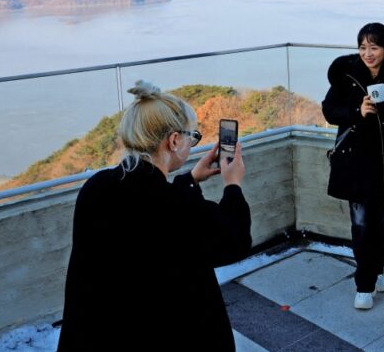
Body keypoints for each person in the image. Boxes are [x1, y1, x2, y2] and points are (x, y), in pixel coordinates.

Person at [58, 81, 251, 351]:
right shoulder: (177, 206)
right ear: (173, 140)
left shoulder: (97, 187)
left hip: (98, 335)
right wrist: (233, 185)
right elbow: (235, 241)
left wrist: (191, 179)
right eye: (191, 136)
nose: (191, 142)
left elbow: (150, 210)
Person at [322, 23, 384, 311]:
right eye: (362, 47)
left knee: (382, 218)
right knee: (361, 224)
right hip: (357, 161)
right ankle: (363, 284)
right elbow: (329, 110)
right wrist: (356, 112)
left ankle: (378, 270)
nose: (367, 53)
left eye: (374, 47)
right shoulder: (348, 75)